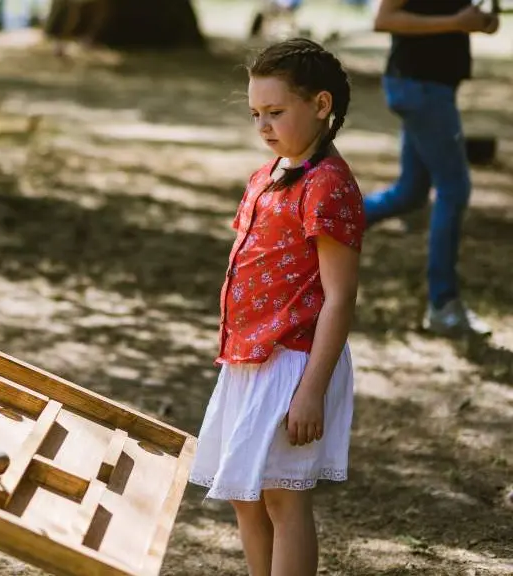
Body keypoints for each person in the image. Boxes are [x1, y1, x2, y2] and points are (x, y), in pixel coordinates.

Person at [188, 38, 365, 576]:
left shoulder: (328, 185)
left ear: (320, 106)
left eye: (276, 112)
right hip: (247, 357)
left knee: (283, 498)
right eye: (255, 114)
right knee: (247, 494)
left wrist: (311, 389)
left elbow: (340, 297)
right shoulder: (266, 176)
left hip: (293, 362)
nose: (264, 125)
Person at [363, 0, 499, 337]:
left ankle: (325, 225)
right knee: (454, 189)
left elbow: (463, 17)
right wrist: (456, 22)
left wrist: (481, 21)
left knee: (410, 192)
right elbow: (384, 19)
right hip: (419, 87)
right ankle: (444, 305)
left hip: (433, 88)